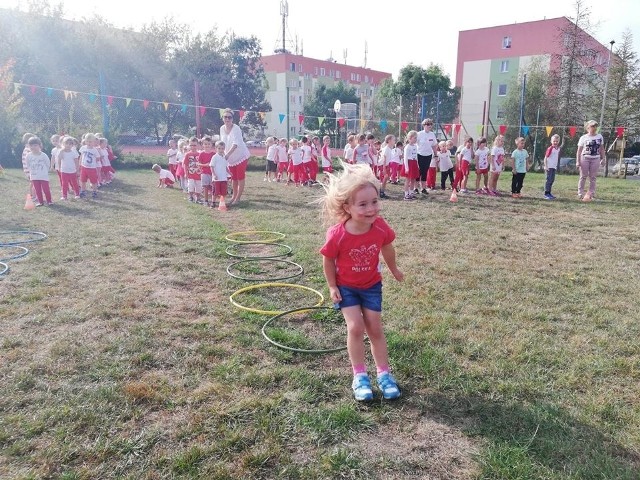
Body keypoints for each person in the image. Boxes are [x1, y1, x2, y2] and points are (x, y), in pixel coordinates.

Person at [319, 163, 404, 401]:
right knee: (355, 327)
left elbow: (387, 249)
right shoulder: (338, 234)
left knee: (375, 328)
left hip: (371, 286)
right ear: (348, 207)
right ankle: (360, 376)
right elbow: (328, 260)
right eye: (363, 204)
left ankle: (384, 374)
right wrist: (333, 286)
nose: (371, 209)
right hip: (347, 286)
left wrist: (394, 269)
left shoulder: (380, 227)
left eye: (374, 201)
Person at [220, 108, 250, 205]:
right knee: (234, 178)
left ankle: (238, 198)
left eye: (229, 117)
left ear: (232, 119)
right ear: (222, 118)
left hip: (240, 156)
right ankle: (233, 196)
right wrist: (222, 154)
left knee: (240, 177)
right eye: (225, 117)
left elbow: (236, 143)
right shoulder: (221, 128)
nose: (227, 119)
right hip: (230, 159)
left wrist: (227, 154)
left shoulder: (236, 128)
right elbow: (222, 143)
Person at [576, 120, 604, 201]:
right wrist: (578, 161)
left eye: (595, 126)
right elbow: (579, 151)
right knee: (583, 176)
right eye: (592, 126)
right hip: (585, 158)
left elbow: (602, 149)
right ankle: (580, 193)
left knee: (593, 177)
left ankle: (591, 193)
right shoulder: (583, 138)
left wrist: (603, 159)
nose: (594, 128)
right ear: (588, 128)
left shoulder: (600, 137)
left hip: (596, 158)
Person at [25, 136, 53, 206]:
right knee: (37, 190)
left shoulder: (43, 155)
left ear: (39, 145)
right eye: (31, 145)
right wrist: (32, 171)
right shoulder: (28, 156)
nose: (33, 147)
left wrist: (44, 172)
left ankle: (49, 201)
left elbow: (47, 164)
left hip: (43, 176)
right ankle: (40, 202)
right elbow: (28, 164)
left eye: (35, 145)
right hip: (34, 176)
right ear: (29, 146)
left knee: (46, 189)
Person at [416, 118, 437, 194]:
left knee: (425, 171)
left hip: (428, 155)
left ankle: (423, 188)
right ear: (424, 125)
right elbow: (415, 144)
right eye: (428, 124)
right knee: (419, 171)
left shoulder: (432, 134)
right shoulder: (419, 134)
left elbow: (434, 145)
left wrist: (436, 154)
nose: (430, 126)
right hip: (419, 154)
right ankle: (416, 188)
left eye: (431, 124)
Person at [57, 136, 81, 200]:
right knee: (64, 183)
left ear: (72, 145)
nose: (68, 145)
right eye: (66, 143)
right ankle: (64, 196)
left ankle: (77, 194)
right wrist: (59, 168)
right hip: (64, 171)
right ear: (63, 144)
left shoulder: (73, 153)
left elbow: (76, 162)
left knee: (74, 183)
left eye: (70, 144)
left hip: (72, 171)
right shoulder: (61, 152)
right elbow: (59, 159)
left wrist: (77, 170)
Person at [79, 133, 101, 198]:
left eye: (90, 142)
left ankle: (94, 191)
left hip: (91, 168)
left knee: (93, 181)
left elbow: (98, 158)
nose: (89, 143)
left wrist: (93, 162)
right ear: (85, 141)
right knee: (83, 180)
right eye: (87, 141)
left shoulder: (95, 150)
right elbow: (81, 156)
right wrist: (80, 164)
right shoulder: (83, 148)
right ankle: (83, 191)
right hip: (84, 167)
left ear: (94, 142)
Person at [210, 140, 231, 207]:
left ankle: (222, 202)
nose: (221, 150)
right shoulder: (215, 157)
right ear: (216, 148)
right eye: (219, 148)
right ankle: (213, 202)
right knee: (215, 192)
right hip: (216, 179)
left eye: (222, 148)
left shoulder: (224, 157)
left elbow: (225, 166)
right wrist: (214, 174)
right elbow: (211, 166)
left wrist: (229, 172)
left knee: (223, 192)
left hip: (223, 178)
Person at [184, 136, 202, 203]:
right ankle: (190, 196)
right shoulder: (187, 154)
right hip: (190, 173)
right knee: (190, 186)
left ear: (197, 145)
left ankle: (198, 198)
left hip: (198, 174)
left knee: (199, 186)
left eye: (194, 145)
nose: (193, 147)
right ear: (189, 145)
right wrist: (186, 173)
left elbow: (202, 164)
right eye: (191, 145)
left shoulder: (200, 154)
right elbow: (185, 165)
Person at [543, 134, 562, 200]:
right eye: (554, 141)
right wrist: (546, 166)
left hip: (554, 167)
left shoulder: (558, 149)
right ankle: (546, 194)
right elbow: (545, 157)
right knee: (548, 180)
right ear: (551, 141)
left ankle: (549, 192)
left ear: (558, 141)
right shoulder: (550, 148)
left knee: (552, 180)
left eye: (556, 141)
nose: (555, 142)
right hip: (549, 167)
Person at [198, 136, 215, 206]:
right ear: (203, 145)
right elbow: (198, 163)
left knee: (213, 187)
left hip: (212, 173)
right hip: (204, 173)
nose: (207, 145)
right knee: (205, 187)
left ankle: (213, 201)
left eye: (208, 144)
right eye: (205, 144)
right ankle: (206, 200)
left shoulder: (214, 154)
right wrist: (205, 165)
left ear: (211, 145)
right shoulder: (201, 154)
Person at [403, 130, 419, 200]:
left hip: (414, 163)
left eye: (416, 138)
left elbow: (416, 156)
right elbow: (405, 158)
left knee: (413, 179)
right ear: (410, 138)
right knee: (408, 180)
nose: (416, 139)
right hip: (409, 164)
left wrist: (417, 165)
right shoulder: (407, 147)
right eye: (414, 138)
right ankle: (406, 194)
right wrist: (406, 168)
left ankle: (411, 193)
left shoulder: (415, 146)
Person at [379, 134, 395, 199]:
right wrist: (384, 169)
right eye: (393, 140)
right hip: (383, 165)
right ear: (389, 141)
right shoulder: (386, 149)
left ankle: (382, 191)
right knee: (384, 178)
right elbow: (384, 159)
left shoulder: (389, 148)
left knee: (386, 179)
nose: (394, 141)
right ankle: (381, 192)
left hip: (386, 165)